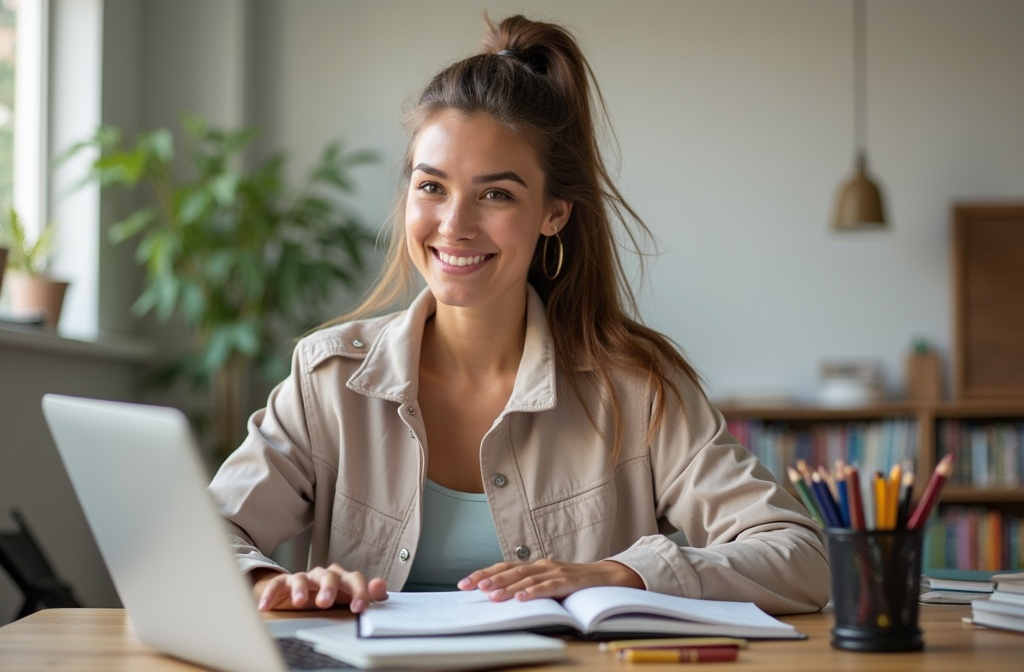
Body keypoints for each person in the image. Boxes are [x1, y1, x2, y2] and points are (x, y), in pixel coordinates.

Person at [208, 14, 830, 617]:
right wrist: (270, 581)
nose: (455, 224)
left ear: (554, 213)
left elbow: (800, 557)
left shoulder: (638, 388)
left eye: (496, 194)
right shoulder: (327, 379)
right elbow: (205, 536)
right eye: (432, 187)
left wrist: (623, 573)